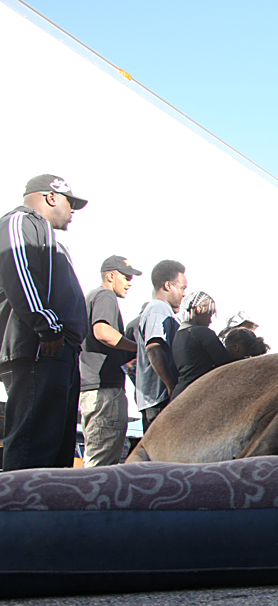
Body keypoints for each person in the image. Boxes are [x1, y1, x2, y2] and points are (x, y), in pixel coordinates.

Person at [0, 175, 89, 471]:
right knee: (32, 448)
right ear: (51, 197)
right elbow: (19, 274)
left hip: (59, 352)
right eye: (70, 203)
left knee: (56, 451)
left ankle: (48, 513)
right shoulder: (20, 221)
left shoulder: (47, 238)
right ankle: (16, 514)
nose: (73, 211)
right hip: (40, 349)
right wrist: (47, 326)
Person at [78, 255, 141, 465]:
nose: (130, 283)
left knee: (98, 458)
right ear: (111, 276)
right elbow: (103, 332)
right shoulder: (105, 295)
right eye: (126, 277)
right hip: (104, 392)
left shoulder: (91, 296)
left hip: (92, 390)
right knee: (101, 466)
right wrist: (137, 348)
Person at [134, 260, 187, 430]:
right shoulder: (159, 309)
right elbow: (153, 348)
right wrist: (171, 385)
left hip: (157, 397)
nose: (184, 294)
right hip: (159, 398)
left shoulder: (160, 310)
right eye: (182, 288)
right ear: (167, 286)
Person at [172, 291, 233, 399]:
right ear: (199, 309)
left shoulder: (178, 335)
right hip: (197, 394)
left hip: (180, 394)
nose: (210, 320)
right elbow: (227, 364)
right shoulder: (202, 332)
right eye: (210, 313)